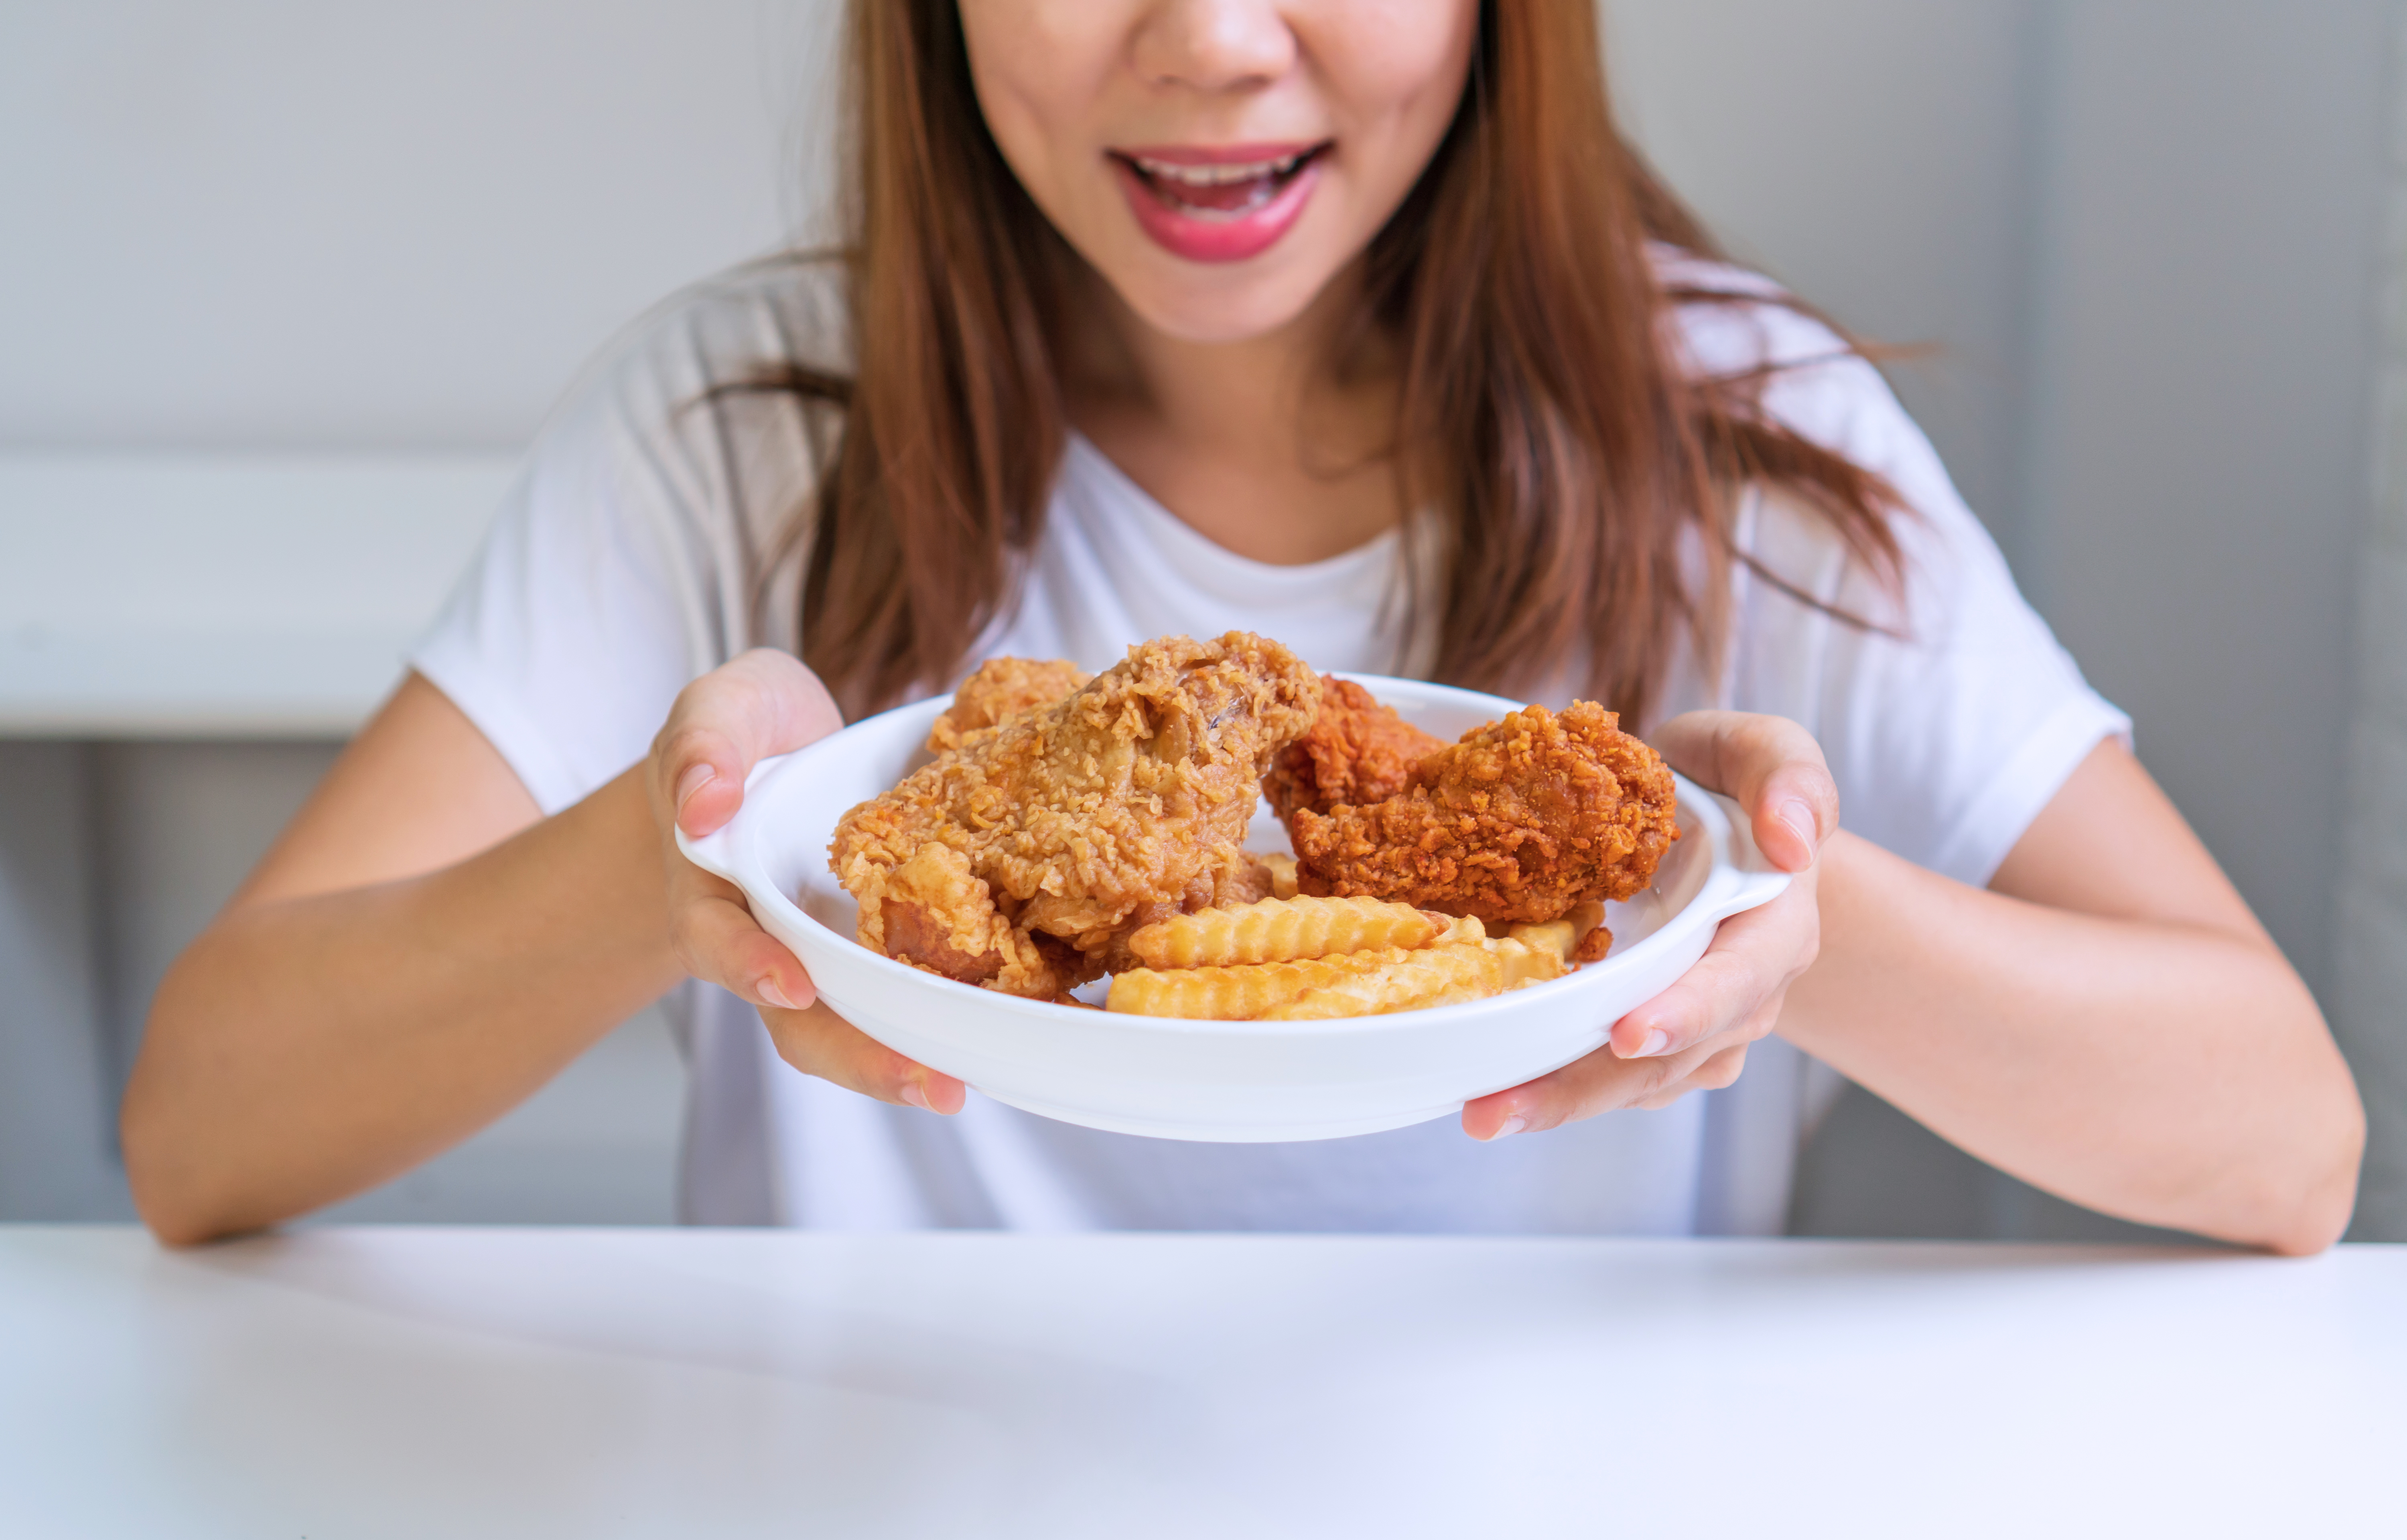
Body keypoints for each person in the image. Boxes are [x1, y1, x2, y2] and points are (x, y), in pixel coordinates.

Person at [122, 0, 2361, 1251]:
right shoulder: (748, 444)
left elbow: (2286, 1145)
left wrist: (1767, 912)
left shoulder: (1737, 443)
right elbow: (200, 1131)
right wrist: (676, 859)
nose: (1211, 39)